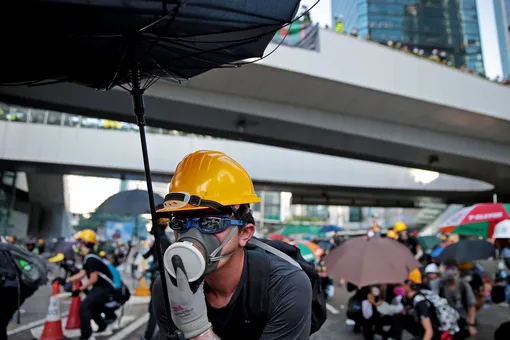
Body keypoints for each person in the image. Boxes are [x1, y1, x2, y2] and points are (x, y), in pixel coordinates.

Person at [152, 150, 312, 340]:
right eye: (180, 222)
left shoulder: (285, 286)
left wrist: (197, 330)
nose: (192, 235)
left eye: (210, 223)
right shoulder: (168, 289)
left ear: (244, 233)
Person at [67, 229, 116, 340]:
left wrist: (79, 290)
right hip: (101, 287)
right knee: (93, 307)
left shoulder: (91, 258)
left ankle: (85, 336)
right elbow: (82, 273)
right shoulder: (89, 257)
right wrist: (68, 280)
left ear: (84, 243)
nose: (78, 244)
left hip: (104, 288)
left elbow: (93, 278)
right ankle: (103, 325)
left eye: (79, 241)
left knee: (85, 307)